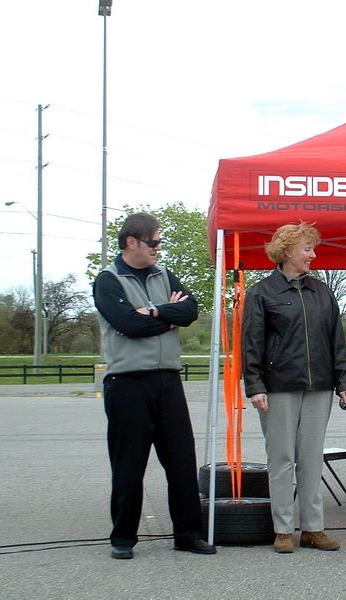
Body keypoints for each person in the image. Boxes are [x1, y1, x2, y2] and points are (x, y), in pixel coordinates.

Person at [93, 212, 216, 559]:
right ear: (132, 242)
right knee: (129, 464)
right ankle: (123, 537)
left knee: (181, 460)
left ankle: (187, 534)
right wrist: (166, 315)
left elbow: (190, 310)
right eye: (154, 242)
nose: (157, 248)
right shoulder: (108, 280)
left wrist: (151, 312)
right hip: (128, 383)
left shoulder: (164, 274)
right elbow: (127, 325)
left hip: (168, 380)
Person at [242, 222, 346, 554]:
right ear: (288, 250)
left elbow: (336, 340)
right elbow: (251, 342)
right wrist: (255, 385)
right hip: (278, 387)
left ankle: (313, 529)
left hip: (319, 386)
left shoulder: (322, 292)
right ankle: (282, 529)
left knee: (311, 459)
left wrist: (343, 381)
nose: (313, 255)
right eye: (307, 248)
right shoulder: (262, 292)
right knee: (281, 459)